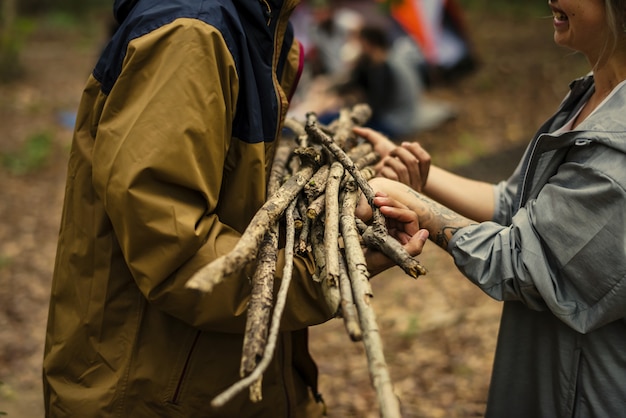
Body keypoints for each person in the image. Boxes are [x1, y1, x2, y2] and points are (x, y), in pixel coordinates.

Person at [41, 0, 426, 417]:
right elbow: (176, 253)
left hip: (220, 377)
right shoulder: (190, 35)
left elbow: (241, 199)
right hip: (150, 392)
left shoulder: (264, 26)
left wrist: (345, 214)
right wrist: (320, 273)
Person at [354, 0, 626, 416]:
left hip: (583, 395)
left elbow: (522, 261)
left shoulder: (618, 158)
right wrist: (419, 177)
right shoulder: (591, 94)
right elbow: (513, 204)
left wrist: (417, 208)